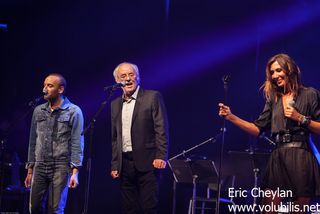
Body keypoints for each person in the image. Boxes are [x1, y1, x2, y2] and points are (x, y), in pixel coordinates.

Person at [219, 53, 320, 213]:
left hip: (301, 156)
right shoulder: (274, 99)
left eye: (278, 70)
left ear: (290, 69)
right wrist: (231, 117)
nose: (275, 76)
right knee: (268, 209)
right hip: (278, 156)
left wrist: (300, 118)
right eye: (272, 72)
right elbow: (257, 129)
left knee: (298, 210)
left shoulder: (310, 94)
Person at [110, 62, 169, 214]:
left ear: (138, 77)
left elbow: (161, 128)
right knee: (129, 208)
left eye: (131, 74)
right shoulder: (115, 104)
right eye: (123, 76)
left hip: (149, 161)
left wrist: (161, 156)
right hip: (125, 163)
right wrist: (115, 164)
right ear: (118, 81)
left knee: (148, 207)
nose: (128, 79)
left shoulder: (152, 97)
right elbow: (115, 137)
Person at [24, 73, 84, 213]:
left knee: (55, 209)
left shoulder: (74, 111)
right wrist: (30, 169)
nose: (45, 89)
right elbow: (33, 140)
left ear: (61, 89)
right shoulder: (38, 111)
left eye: (50, 86)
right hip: (39, 165)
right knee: (34, 208)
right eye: (44, 85)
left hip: (61, 167)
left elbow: (77, 141)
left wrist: (75, 172)